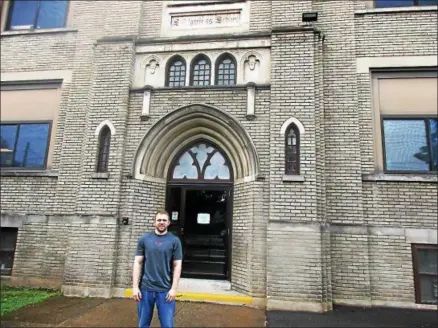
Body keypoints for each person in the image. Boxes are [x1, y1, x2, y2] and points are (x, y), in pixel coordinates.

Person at [132, 209, 183, 328]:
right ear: (154, 222)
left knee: (167, 325)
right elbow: (137, 263)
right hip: (145, 289)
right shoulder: (144, 239)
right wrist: (135, 287)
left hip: (165, 290)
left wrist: (174, 289)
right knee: (143, 324)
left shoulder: (174, 240)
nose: (161, 222)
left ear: (168, 223)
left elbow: (177, 265)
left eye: (164, 220)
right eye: (159, 220)